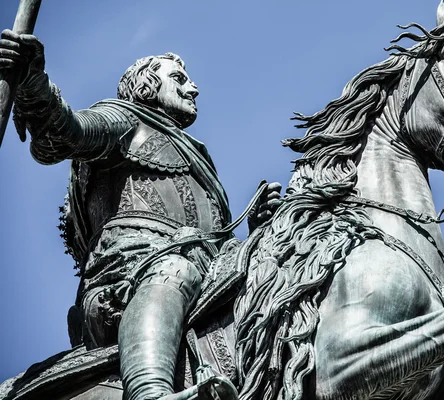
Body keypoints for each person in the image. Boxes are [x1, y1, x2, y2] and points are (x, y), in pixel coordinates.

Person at [0, 29, 281, 400]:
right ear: (147, 87)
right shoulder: (124, 119)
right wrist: (33, 81)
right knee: (175, 269)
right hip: (129, 273)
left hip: (203, 270)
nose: (193, 88)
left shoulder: (201, 160)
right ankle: (149, 393)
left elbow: (213, 240)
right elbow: (64, 134)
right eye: (178, 79)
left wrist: (258, 231)